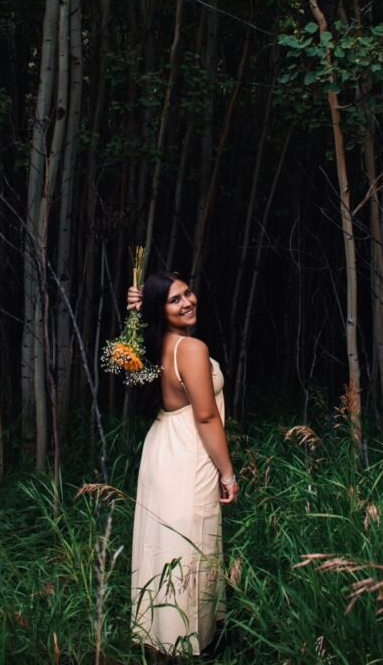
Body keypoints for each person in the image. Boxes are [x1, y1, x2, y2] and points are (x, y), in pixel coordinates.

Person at [128, 271, 239, 658]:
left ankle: (160, 635)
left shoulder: (156, 345)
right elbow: (206, 417)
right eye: (174, 299)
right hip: (187, 451)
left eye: (188, 292)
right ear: (162, 309)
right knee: (190, 544)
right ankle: (188, 643)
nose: (188, 302)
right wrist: (228, 473)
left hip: (162, 447)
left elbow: (129, 349)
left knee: (165, 544)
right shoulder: (190, 350)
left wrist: (138, 312)